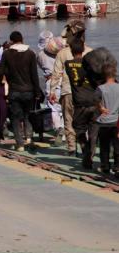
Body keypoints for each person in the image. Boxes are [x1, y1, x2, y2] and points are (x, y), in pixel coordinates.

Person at [50, 21, 91, 157]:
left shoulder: (62, 53)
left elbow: (56, 74)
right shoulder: (90, 52)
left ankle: (72, 148)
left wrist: (52, 91)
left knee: (69, 121)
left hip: (67, 92)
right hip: (86, 94)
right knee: (85, 122)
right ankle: (85, 148)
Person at [0, 31, 42, 151]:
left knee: (15, 118)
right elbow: (34, 75)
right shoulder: (30, 54)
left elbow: (0, 72)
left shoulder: (6, 54)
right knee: (28, 116)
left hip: (14, 91)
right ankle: (29, 138)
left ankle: (20, 143)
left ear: (11, 41)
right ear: (22, 39)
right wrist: (37, 91)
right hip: (29, 91)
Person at [65, 40, 99, 169]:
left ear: (71, 51)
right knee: (93, 131)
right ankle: (90, 154)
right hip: (94, 102)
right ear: (83, 50)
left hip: (79, 103)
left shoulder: (68, 64)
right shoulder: (91, 65)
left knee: (78, 128)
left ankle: (85, 150)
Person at [95, 63, 119, 174]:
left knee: (104, 146)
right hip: (116, 122)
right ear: (115, 74)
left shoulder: (100, 88)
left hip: (104, 122)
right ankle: (117, 166)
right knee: (117, 146)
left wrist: (101, 108)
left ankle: (105, 166)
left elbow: (95, 100)